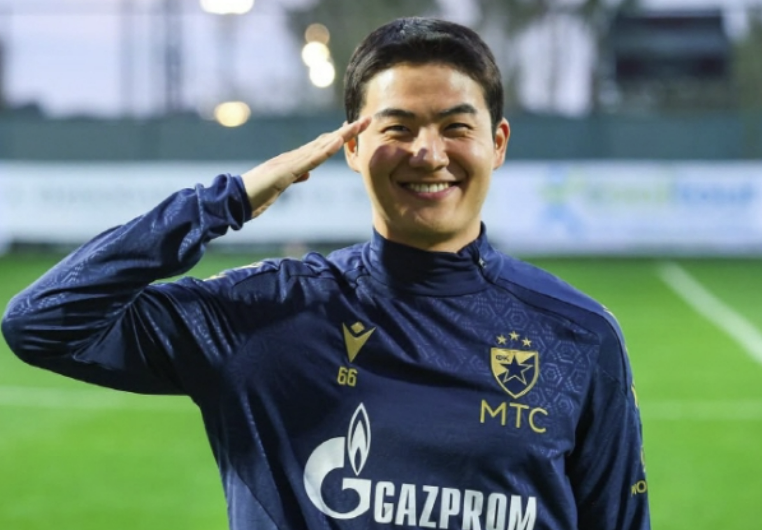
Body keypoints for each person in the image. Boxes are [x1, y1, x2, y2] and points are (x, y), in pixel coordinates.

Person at [1, 17, 650, 530]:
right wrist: (227, 200)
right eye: (398, 127)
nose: (429, 153)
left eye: (456, 127)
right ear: (352, 147)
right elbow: (42, 323)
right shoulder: (265, 316)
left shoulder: (577, 336)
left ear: (498, 143)